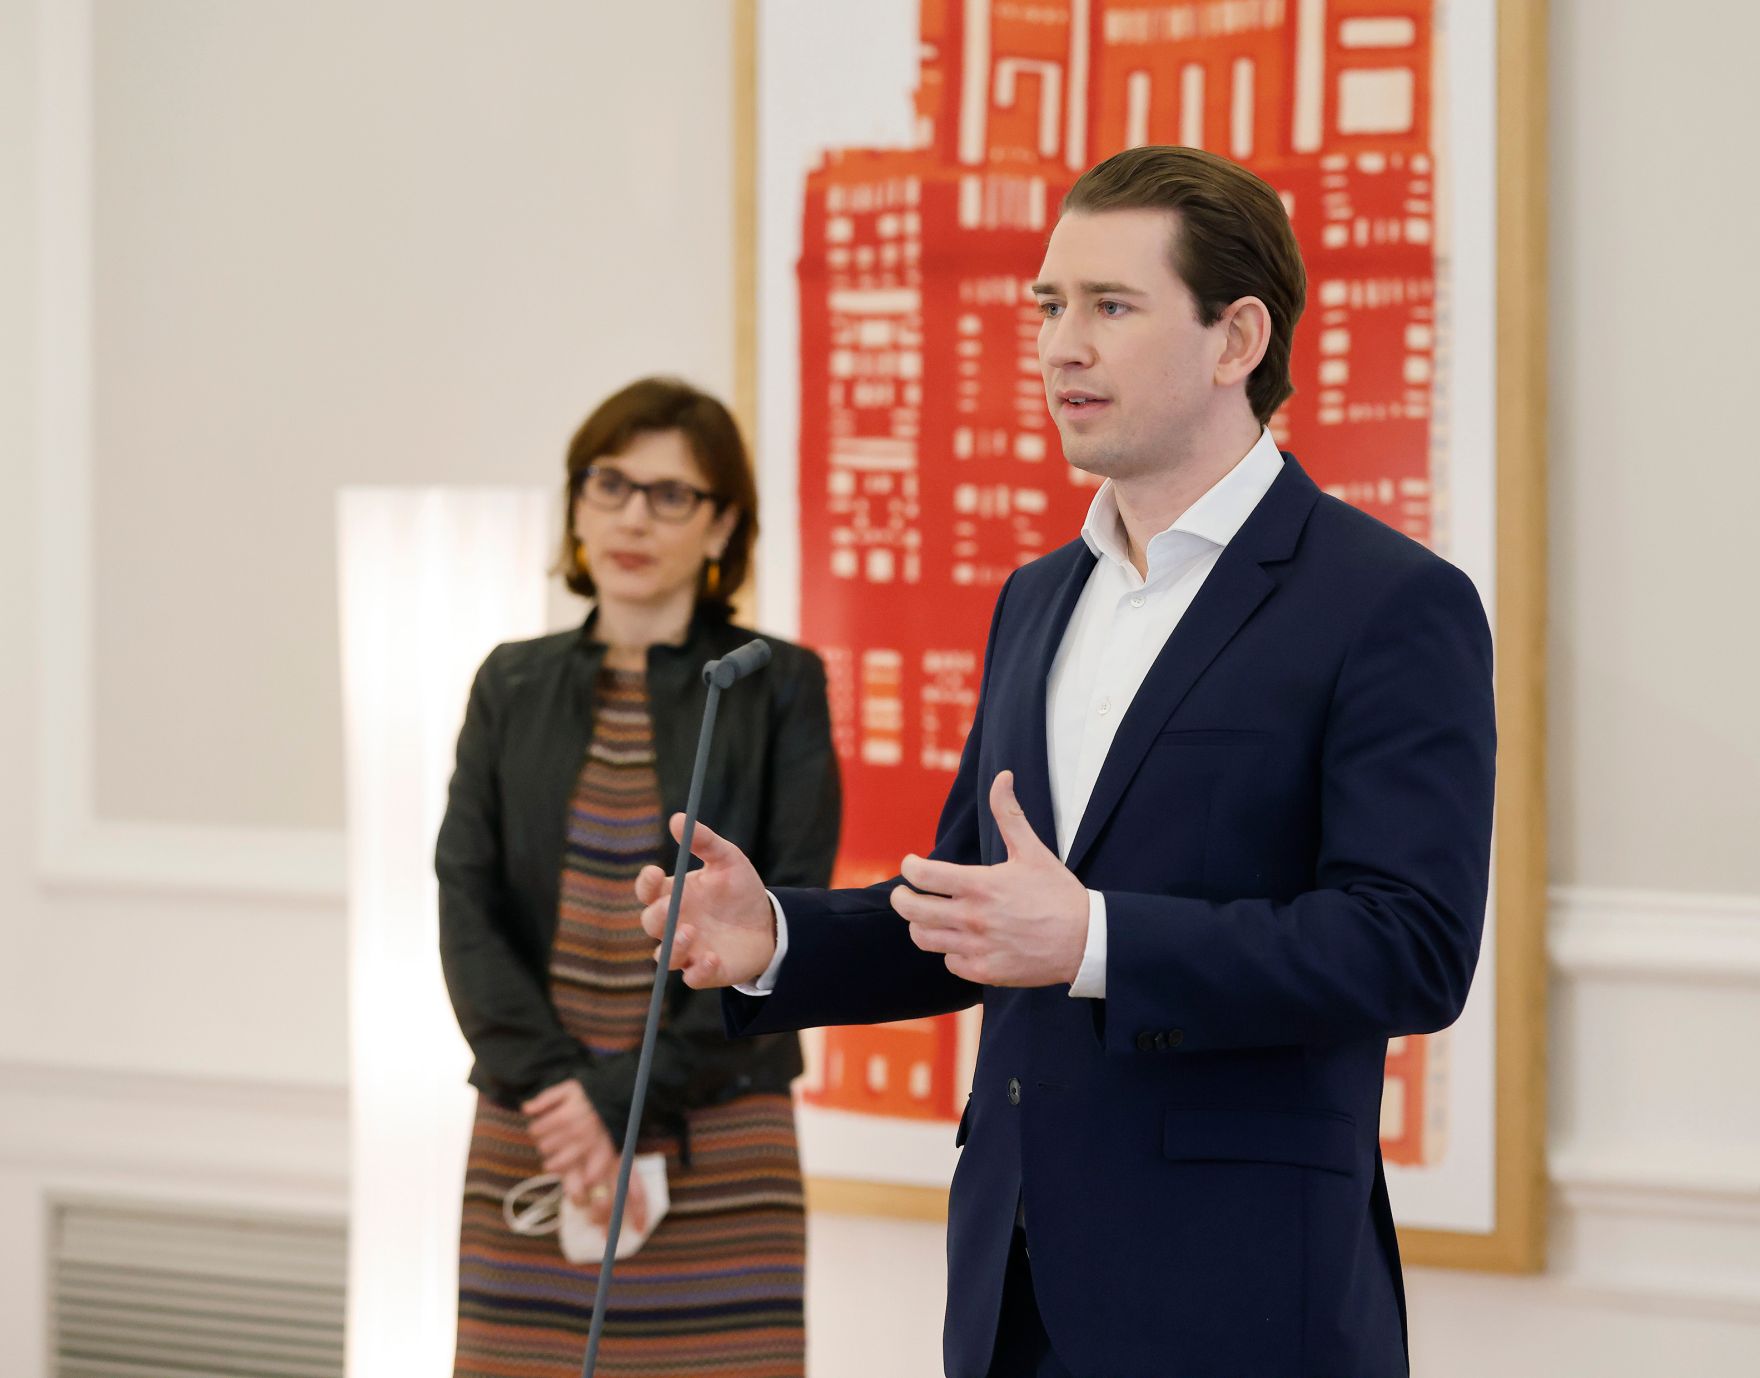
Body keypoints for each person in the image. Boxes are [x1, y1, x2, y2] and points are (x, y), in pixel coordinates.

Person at [637, 147, 1496, 1378]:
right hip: (1011, 1296)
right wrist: (772, 936)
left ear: (1234, 337)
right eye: (1048, 305)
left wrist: (1096, 940)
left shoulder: (1388, 603)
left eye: (1109, 305)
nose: (1059, 346)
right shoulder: (1035, 599)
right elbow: (970, 912)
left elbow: (1407, 946)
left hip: (1245, 1306)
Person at [436, 376, 840, 1378]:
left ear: (722, 527)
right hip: (539, 1128)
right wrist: (563, 1099)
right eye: (610, 483)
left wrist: (621, 1097)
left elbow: (788, 923)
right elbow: (465, 902)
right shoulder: (509, 681)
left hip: (714, 1130)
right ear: (576, 504)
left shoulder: (777, 685)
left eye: (670, 494)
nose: (631, 515)